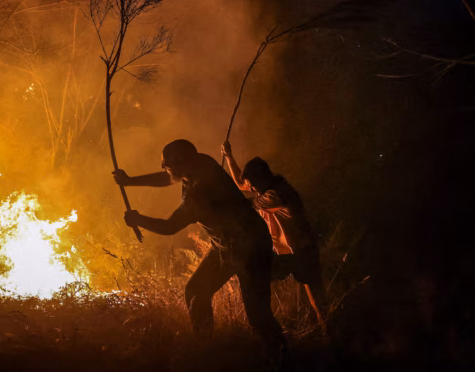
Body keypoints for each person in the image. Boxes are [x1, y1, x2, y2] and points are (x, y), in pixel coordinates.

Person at [114, 139, 285, 354]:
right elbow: (168, 178)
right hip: (228, 245)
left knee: (258, 316)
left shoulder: (199, 192)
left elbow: (169, 227)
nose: (163, 167)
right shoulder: (202, 162)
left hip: (250, 247)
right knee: (196, 292)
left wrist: (139, 220)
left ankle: (282, 358)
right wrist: (130, 181)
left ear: (182, 165)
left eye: (167, 164)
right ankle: (206, 349)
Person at [221, 140, 329, 331]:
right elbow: (240, 184)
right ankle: (266, 327)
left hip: (303, 251)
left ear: (263, 178)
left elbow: (245, 204)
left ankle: (331, 340)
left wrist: (219, 198)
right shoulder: (265, 186)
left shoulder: (278, 194)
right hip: (284, 254)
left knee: (318, 303)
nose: (252, 189)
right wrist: (229, 156)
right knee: (256, 277)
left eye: (254, 185)